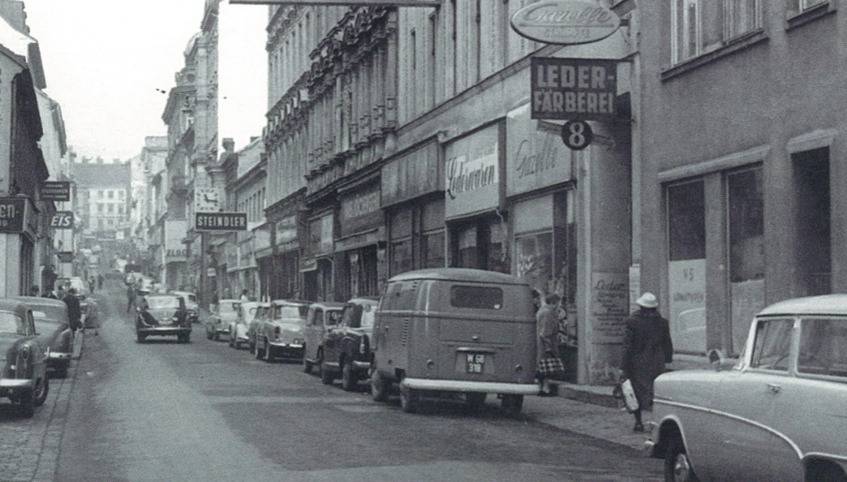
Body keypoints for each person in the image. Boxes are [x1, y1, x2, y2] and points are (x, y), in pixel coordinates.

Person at [622, 292, 673, 432]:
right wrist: (668, 358)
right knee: (655, 392)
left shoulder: (632, 322)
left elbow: (628, 346)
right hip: (657, 361)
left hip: (638, 362)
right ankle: (656, 421)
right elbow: (667, 343)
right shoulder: (662, 323)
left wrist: (623, 366)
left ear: (641, 307)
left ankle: (638, 422)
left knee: (637, 392)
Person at [536, 293, 561, 396]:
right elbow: (546, 331)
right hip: (545, 344)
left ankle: (542, 387)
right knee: (546, 367)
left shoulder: (541, 310)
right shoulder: (548, 313)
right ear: (554, 303)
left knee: (542, 367)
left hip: (540, 343)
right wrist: (548, 346)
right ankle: (545, 389)